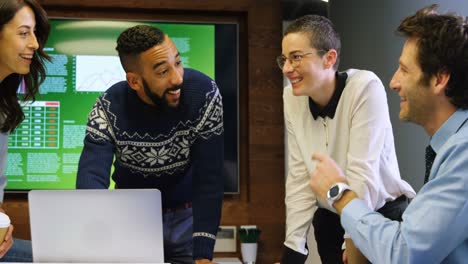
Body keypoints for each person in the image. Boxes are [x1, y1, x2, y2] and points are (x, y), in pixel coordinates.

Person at [310, 4, 468, 264]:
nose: (394, 82)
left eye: (405, 70)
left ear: (440, 79)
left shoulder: (463, 153)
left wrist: (339, 192)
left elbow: (404, 252)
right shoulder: (451, 149)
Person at [76, 25, 224, 264]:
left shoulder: (204, 94)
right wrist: (95, 241)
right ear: (134, 81)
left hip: (187, 218)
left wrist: (204, 252)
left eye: (177, 63)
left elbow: (210, 178)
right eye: (163, 71)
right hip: (131, 219)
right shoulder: (107, 108)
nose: (177, 78)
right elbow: (91, 178)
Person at [278, 15, 416, 264]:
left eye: (296, 57)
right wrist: (294, 247)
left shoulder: (364, 87)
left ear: (329, 58)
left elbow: (363, 173)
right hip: (330, 221)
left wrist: (352, 238)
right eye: (285, 59)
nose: (287, 68)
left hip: (377, 216)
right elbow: (300, 176)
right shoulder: (291, 98)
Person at [0, 0, 50, 262]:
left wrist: (3, 229)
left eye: (34, 33)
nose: (35, 44)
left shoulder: (4, 105)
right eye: (23, 33)